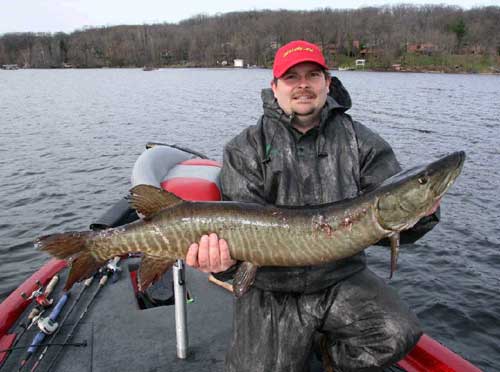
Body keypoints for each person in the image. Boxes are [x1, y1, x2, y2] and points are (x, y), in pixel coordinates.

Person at [185, 40, 440, 372]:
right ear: (274, 87)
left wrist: (423, 213)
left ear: (327, 83)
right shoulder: (244, 148)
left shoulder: (362, 143)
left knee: (397, 333)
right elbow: (238, 238)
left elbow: (393, 222)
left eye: (312, 75)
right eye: (292, 77)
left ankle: (329, 354)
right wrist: (221, 264)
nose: (303, 84)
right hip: (271, 288)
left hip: (340, 278)